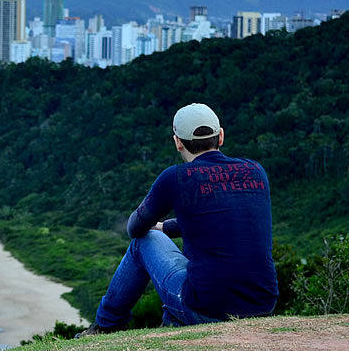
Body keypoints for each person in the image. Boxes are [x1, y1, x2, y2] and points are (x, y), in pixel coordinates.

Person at [76, 102, 278, 336]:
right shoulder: (255, 170)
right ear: (220, 136)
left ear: (178, 142)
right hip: (262, 307)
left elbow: (135, 228)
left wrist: (157, 226)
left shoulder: (175, 177)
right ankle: (171, 322)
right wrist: (167, 227)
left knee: (143, 241)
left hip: (207, 310)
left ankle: (105, 325)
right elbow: (217, 220)